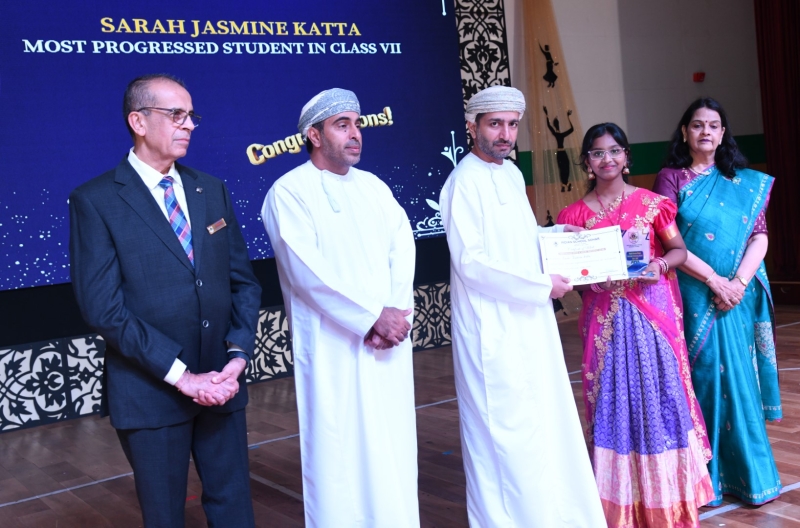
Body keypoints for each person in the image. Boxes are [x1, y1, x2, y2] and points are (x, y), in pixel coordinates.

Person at [69, 74, 262, 527]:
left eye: (191, 115)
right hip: (151, 392)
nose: (189, 124)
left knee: (234, 509)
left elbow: (244, 283)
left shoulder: (211, 189)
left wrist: (236, 357)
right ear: (138, 121)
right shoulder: (95, 201)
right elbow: (104, 310)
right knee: (164, 517)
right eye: (176, 114)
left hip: (222, 384)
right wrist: (183, 377)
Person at [439, 85, 605, 527]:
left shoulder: (511, 174)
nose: (505, 134)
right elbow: (472, 263)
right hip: (491, 327)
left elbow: (519, 240)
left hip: (530, 319)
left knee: (540, 421)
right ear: (472, 126)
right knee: (504, 432)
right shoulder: (462, 183)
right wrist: (540, 285)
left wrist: (557, 237)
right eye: (495, 124)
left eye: (512, 125)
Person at [261, 88, 419, 527]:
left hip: (387, 342)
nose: (355, 133)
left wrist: (393, 315)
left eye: (357, 124)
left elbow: (402, 249)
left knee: (393, 443)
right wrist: (371, 318)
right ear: (314, 135)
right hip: (332, 345)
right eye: (342, 125)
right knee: (339, 450)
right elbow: (307, 273)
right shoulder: (288, 192)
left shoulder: (374, 187)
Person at [558, 123, 714, 526]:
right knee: (614, 402)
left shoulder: (653, 205)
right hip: (606, 321)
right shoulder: (573, 217)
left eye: (614, 150)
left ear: (627, 156)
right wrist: (589, 279)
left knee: (660, 398)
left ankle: (670, 502)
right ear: (587, 163)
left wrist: (659, 264)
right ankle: (621, 507)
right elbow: (571, 276)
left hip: (652, 318)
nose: (607, 159)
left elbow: (678, 250)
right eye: (597, 153)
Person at [654, 97, 781, 507]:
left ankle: (750, 477)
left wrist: (738, 283)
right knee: (704, 378)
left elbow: (759, 236)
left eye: (713, 125)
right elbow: (668, 239)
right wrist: (714, 281)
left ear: (723, 133)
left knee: (740, 378)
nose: (705, 132)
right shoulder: (671, 178)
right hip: (694, 294)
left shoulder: (743, 182)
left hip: (736, 298)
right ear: (685, 132)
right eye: (697, 125)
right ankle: (706, 481)